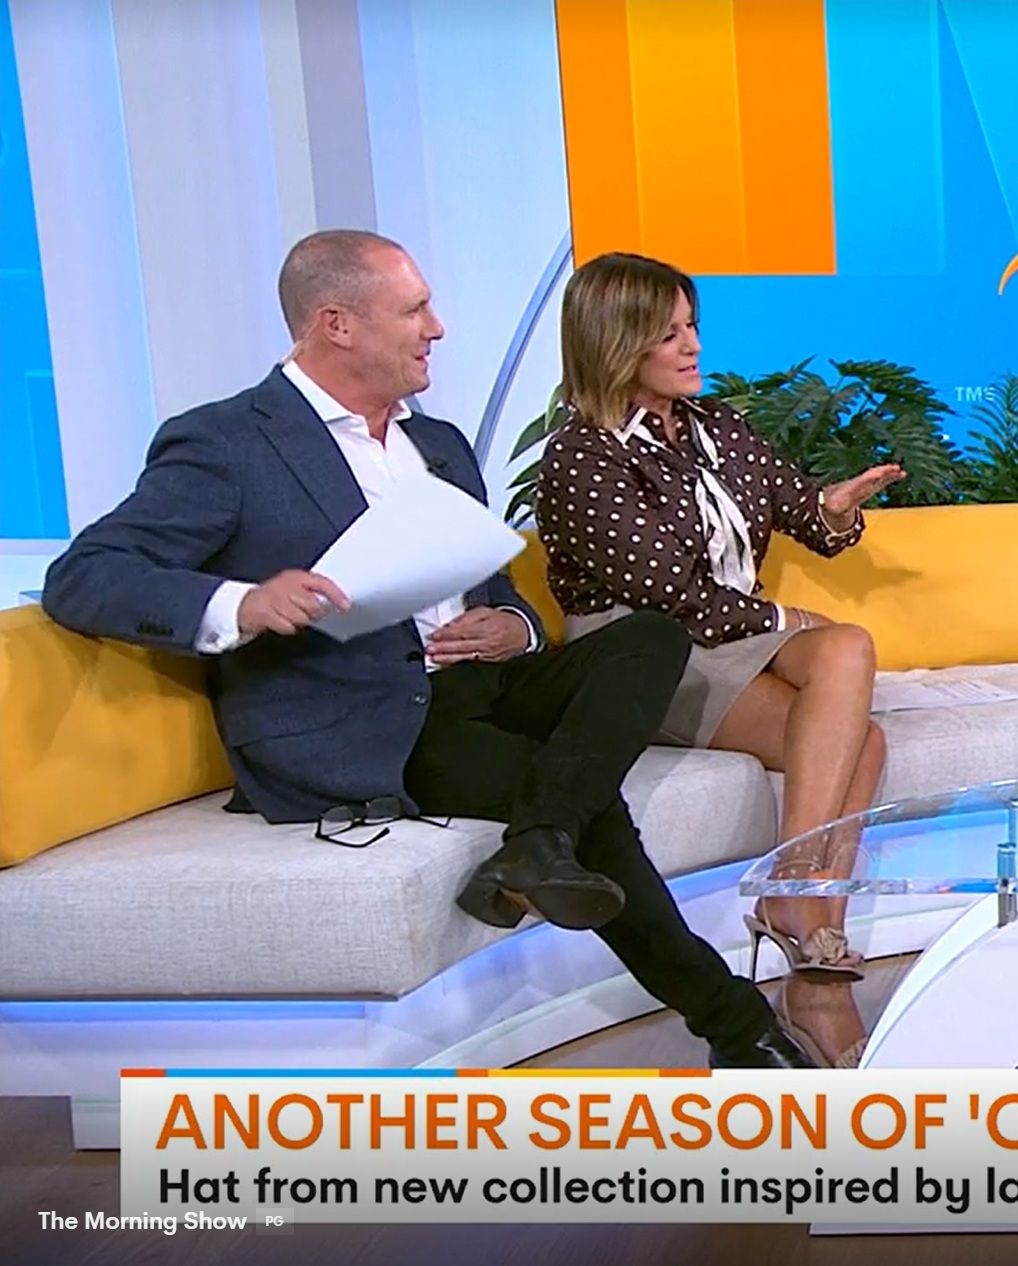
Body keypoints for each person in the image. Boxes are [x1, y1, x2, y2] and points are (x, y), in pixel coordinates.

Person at [42, 229, 811, 1070]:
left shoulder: (437, 443)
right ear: (337, 324)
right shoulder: (228, 444)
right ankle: (738, 1027)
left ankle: (539, 842)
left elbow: (491, 584)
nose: (436, 328)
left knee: (648, 638)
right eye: (414, 311)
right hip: (367, 720)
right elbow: (85, 576)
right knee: (582, 803)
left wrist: (512, 625)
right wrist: (244, 602)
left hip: (480, 680)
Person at [538, 251, 900, 1019]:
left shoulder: (717, 429)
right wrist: (783, 620)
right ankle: (803, 912)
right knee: (851, 703)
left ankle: (803, 909)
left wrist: (836, 509)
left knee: (855, 689)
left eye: (692, 326)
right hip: (640, 648)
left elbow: (803, 513)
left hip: (728, 631)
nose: (693, 345)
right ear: (616, 343)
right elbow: (668, 595)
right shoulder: (582, 455)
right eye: (669, 334)